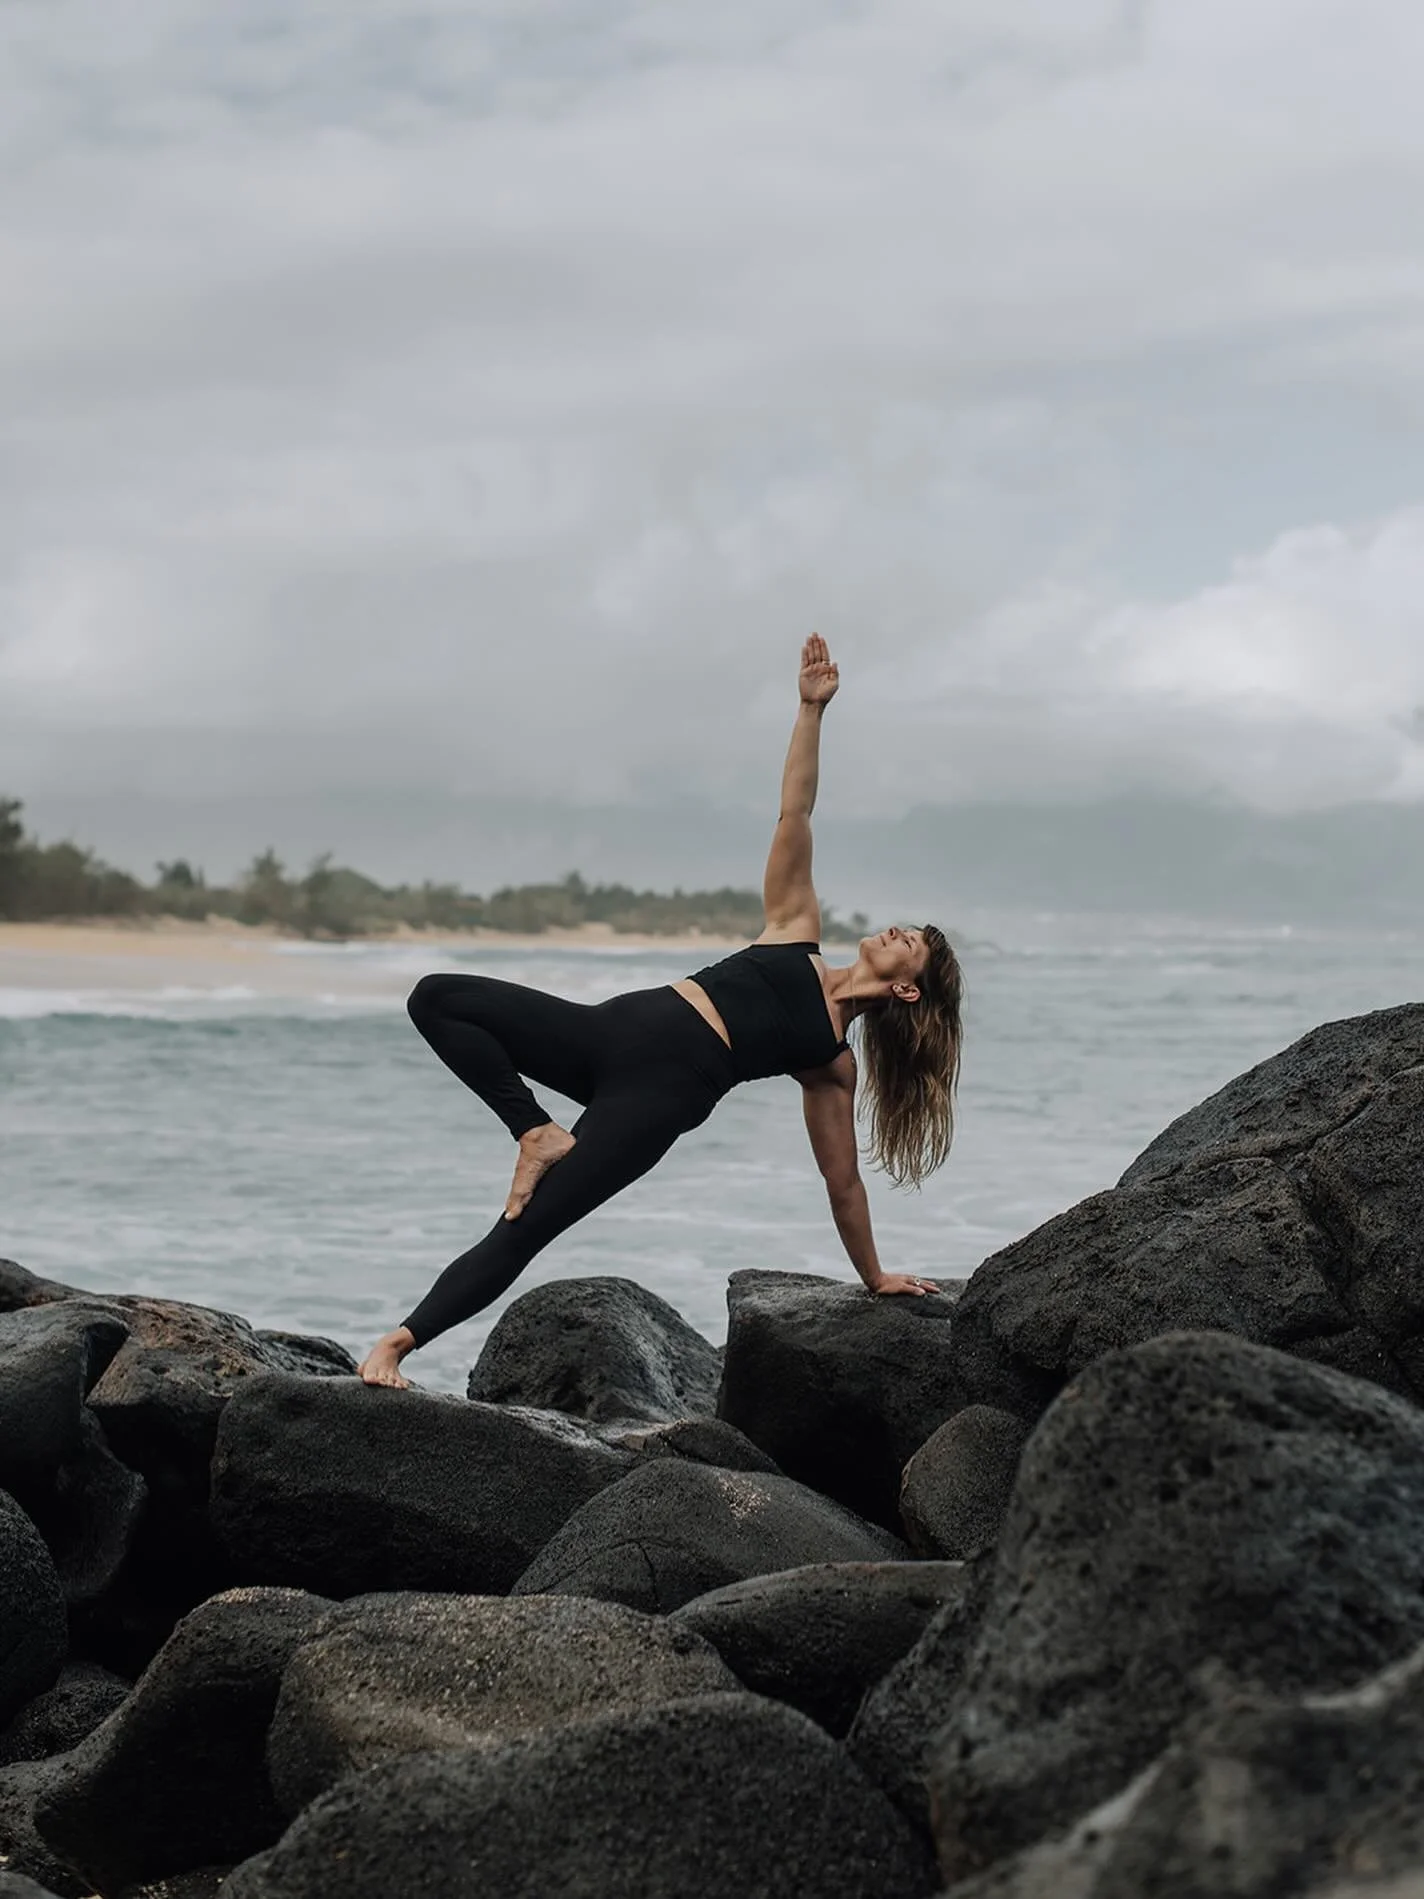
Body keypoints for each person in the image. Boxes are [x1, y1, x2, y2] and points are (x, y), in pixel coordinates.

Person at [358, 634, 963, 1389]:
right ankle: (534, 1130)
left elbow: (843, 1183)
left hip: (655, 1103)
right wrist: (810, 711)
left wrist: (874, 1275)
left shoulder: (831, 1060)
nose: (904, 931)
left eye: (918, 947)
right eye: (910, 927)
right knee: (438, 997)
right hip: (602, 1033)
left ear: (909, 989)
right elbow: (795, 810)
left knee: (527, 1228)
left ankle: (395, 1345)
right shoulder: (795, 931)